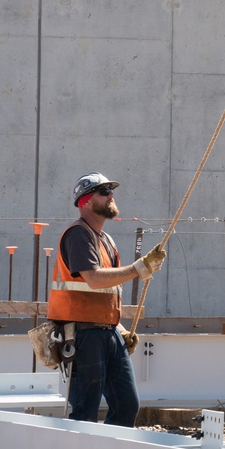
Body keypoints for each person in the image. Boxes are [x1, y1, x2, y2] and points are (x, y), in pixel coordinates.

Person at [46, 172, 167, 426]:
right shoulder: (78, 235)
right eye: (104, 192)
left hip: (107, 333)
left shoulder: (106, 240)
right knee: (85, 412)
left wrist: (120, 330)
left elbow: (105, 294)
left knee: (127, 406)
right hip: (83, 336)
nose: (111, 195)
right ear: (86, 202)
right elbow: (94, 279)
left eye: (111, 191)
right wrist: (139, 268)